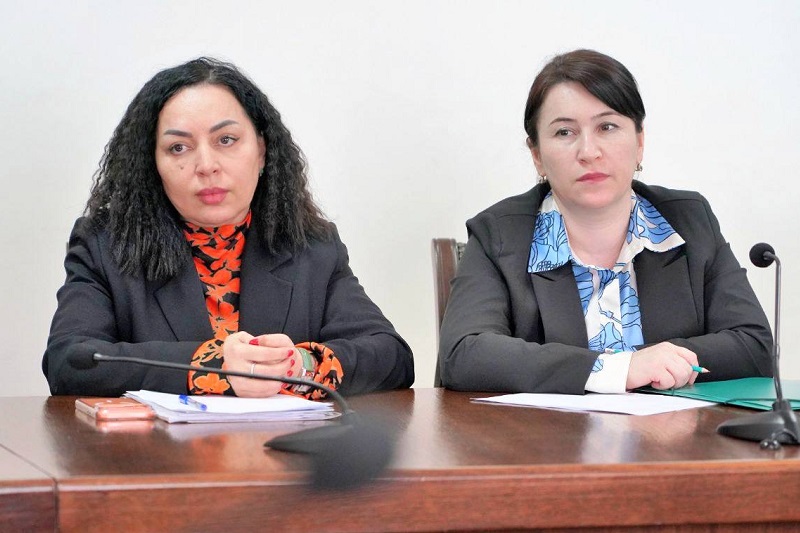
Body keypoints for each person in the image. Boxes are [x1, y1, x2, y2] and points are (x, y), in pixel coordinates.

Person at [44, 57, 414, 399]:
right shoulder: (105, 245)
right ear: (152, 165)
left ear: (262, 151)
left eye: (226, 140)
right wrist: (211, 366)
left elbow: (391, 357)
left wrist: (299, 366)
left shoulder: (311, 245)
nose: (206, 165)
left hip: (285, 447)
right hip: (159, 449)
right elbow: (69, 361)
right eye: (178, 148)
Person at [439, 49, 772, 394]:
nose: (589, 152)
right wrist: (620, 369)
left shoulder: (688, 221)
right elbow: (463, 354)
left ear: (639, 142)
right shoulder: (499, 234)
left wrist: (655, 364)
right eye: (564, 132)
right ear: (537, 155)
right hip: (545, 431)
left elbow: (755, 346)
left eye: (607, 127)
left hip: (671, 430)